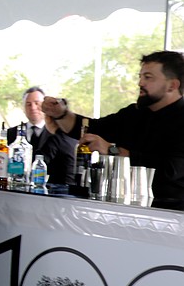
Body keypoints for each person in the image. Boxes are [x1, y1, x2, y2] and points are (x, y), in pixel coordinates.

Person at [42, 50, 184, 209]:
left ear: (172, 85)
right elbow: (91, 128)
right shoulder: (133, 114)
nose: (140, 83)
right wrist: (61, 114)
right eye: (140, 77)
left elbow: (171, 170)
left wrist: (112, 150)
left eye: (148, 77)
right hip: (125, 208)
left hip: (171, 213)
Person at [6, 86, 77, 185]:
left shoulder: (60, 136)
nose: (33, 108)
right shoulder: (12, 133)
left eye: (37, 103)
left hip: (56, 189)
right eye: (28, 104)